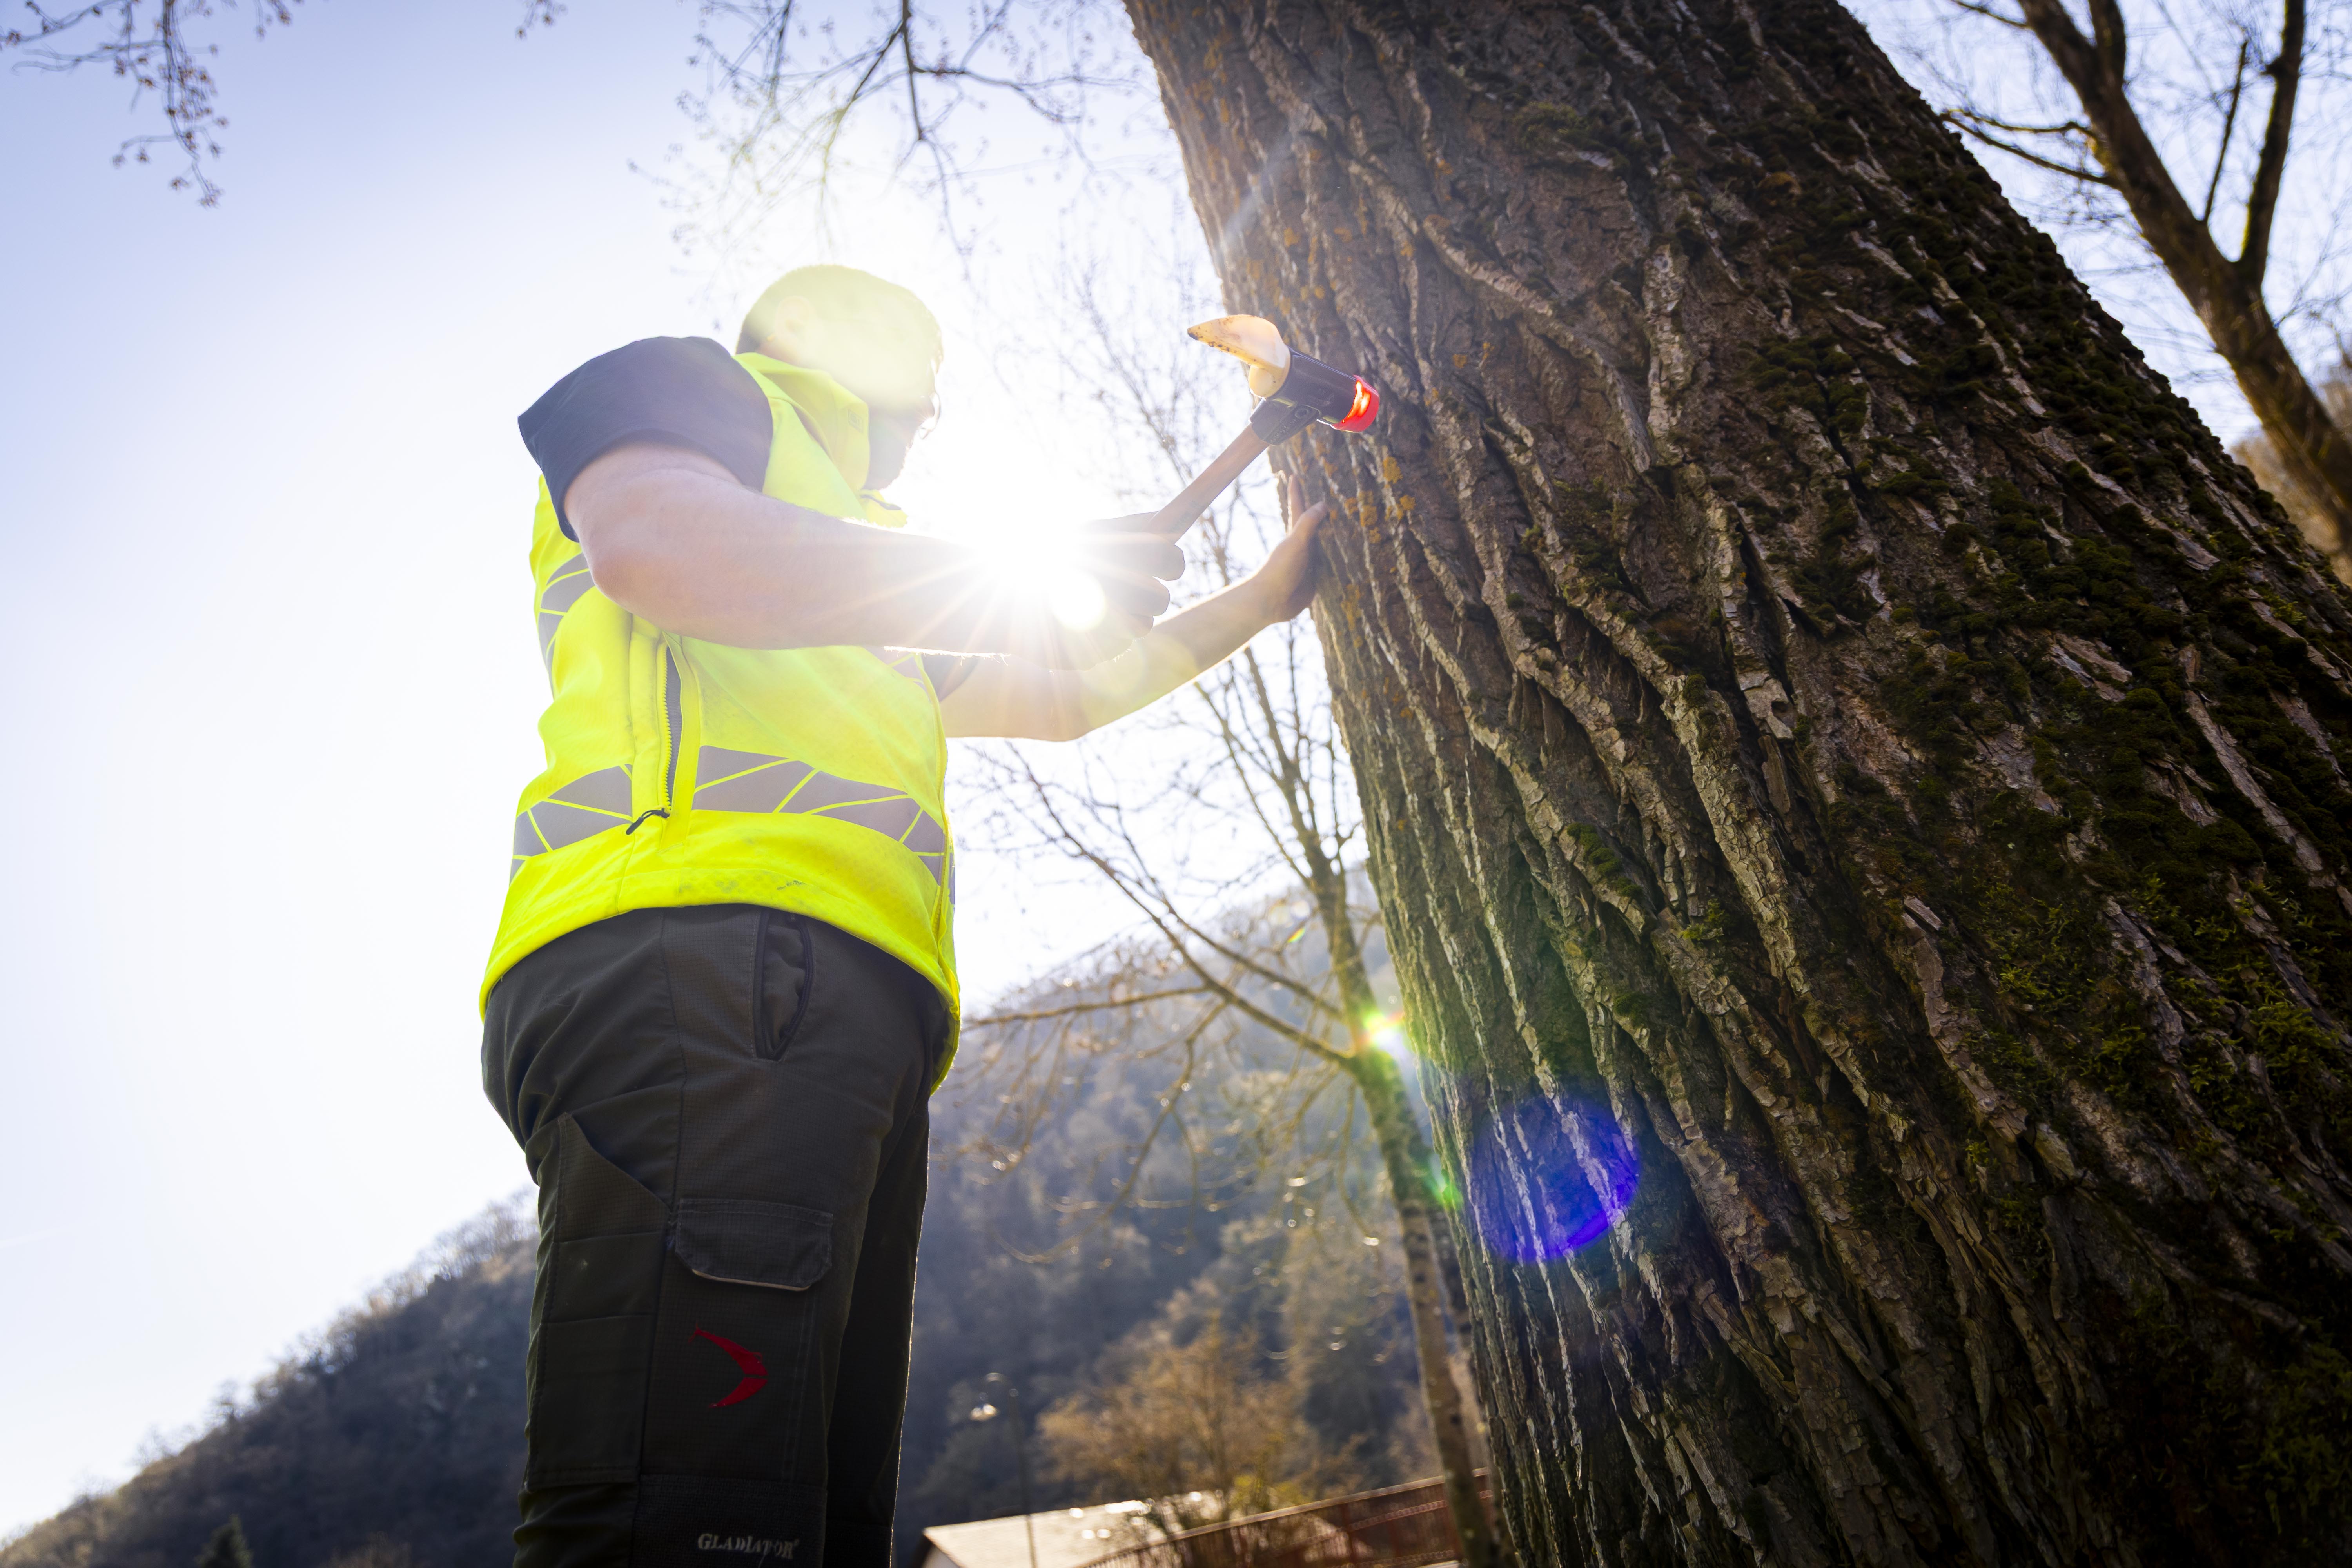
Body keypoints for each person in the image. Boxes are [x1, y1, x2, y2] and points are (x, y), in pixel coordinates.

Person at [478, 264, 1326, 1568]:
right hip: (707, 959)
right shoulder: (688, 389)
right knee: (686, 1518)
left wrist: (1257, 603)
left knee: (801, 1528)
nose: (931, 426)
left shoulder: (849, 568)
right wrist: (974, 570)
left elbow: (1058, 692)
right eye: (927, 399)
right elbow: (658, 545)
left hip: (822, 1007)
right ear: (866, 363)